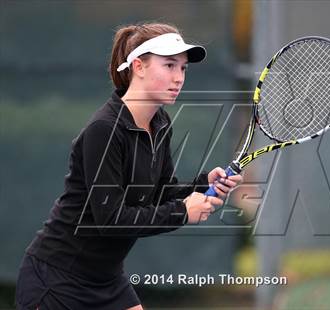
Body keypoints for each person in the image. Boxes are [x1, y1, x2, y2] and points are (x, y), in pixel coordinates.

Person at [15, 22, 242, 310]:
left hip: (105, 279)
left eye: (183, 68)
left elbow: (159, 192)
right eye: (169, 65)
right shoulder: (104, 130)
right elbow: (111, 219)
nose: (179, 77)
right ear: (139, 66)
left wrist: (202, 184)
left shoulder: (160, 124)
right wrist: (183, 212)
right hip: (56, 280)